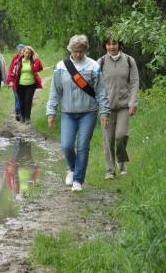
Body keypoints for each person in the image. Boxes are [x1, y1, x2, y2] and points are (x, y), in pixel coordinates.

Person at [46, 35, 110, 192]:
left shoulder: (94, 66)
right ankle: (73, 169)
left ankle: (78, 180)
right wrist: (51, 113)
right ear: (70, 50)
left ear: (86, 50)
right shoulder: (61, 66)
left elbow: (101, 92)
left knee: (82, 147)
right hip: (68, 113)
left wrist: (104, 111)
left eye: (81, 51)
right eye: (75, 51)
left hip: (88, 113)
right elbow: (55, 92)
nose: (78, 55)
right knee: (66, 145)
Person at [98, 36, 139, 179]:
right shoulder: (101, 62)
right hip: (106, 108)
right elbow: (96, 85)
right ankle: (110, 170)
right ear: (105, 46)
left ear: (119, 44)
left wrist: (132, 103)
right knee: (108, 140)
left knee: (121, 136)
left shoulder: (129, 61)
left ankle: (121, 161)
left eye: (114, 43)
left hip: (123, 106)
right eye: (108, 44)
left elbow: (134, 83)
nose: (111, 47)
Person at [7, 46, 43, 124]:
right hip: (20, 84)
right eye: (26, 53)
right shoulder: (18, 62)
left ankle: (27, 117)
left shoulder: (33, 62)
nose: (27, 55)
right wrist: (10, 81)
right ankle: (22, 116)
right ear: (23, 52)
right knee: (21, 101)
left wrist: (37, 59)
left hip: (31, 84)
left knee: (28, 101)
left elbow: (37, 69)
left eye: (29, 53)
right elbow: (12, 72)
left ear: (31, 54)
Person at [7, 44, 25, 121]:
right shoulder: (15, 59)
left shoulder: (28, 59)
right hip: (15, 82)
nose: (20, 51)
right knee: (17, 97)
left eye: (22, 49)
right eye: (19, 49)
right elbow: (11, 70)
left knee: (23, 98)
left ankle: (23, 114)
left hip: (25, 82)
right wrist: (10, 81)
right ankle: (18, 113)